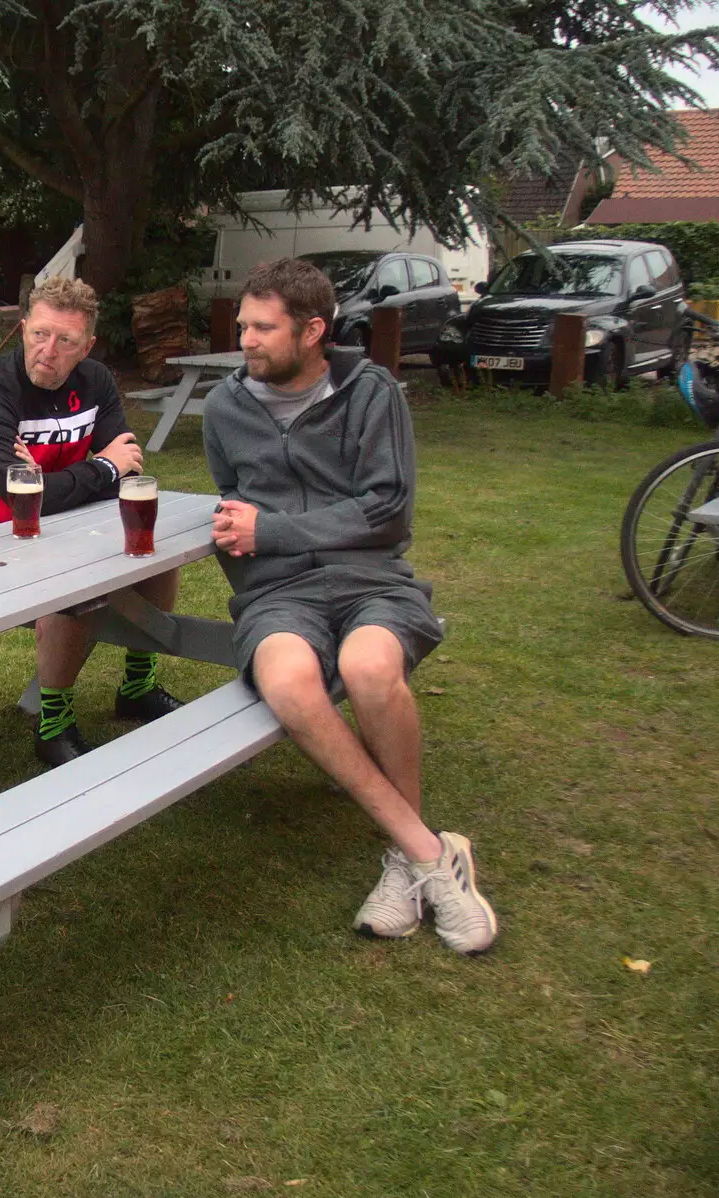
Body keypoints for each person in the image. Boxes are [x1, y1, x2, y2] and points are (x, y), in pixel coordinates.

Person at [202, 259, 498, 955]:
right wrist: (250, 540)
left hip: (372, 580)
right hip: (278, 593)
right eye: (243, 324)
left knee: (369, 669)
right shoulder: (224, 407)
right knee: (286, 683)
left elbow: (387, 511)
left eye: (262, 328)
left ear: (313, 331)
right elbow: (232, 500)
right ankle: (427, 851)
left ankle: (407, 859)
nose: (245, 340)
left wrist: (271, 530)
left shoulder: (372, 393)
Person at [0, 276, 184, 767]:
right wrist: (99, 466)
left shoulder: (97, 382)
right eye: (39, 334)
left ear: (86, 346)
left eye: (65, 340)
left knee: (154, 545)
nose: (48, 350)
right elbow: (30, 496)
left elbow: (124, 472)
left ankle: (138, 686)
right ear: (23, 329)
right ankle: (54, 724)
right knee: (73, 584)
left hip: (48, 526)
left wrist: (63, 480)